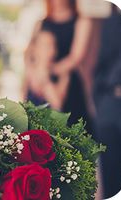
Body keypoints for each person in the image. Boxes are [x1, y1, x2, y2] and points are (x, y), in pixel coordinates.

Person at [24, 0, 93, 131]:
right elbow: (28, 52)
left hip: (65, 78)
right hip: (37, 77)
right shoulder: (41, 23)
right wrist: (33, 75)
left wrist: (46, 74)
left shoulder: (82, 21)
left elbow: (75, 57)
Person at [93, 7, 121, 199]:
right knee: (110, 175)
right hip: (109, 102)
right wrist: (100, 99)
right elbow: (101, 62)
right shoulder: (113, 22)